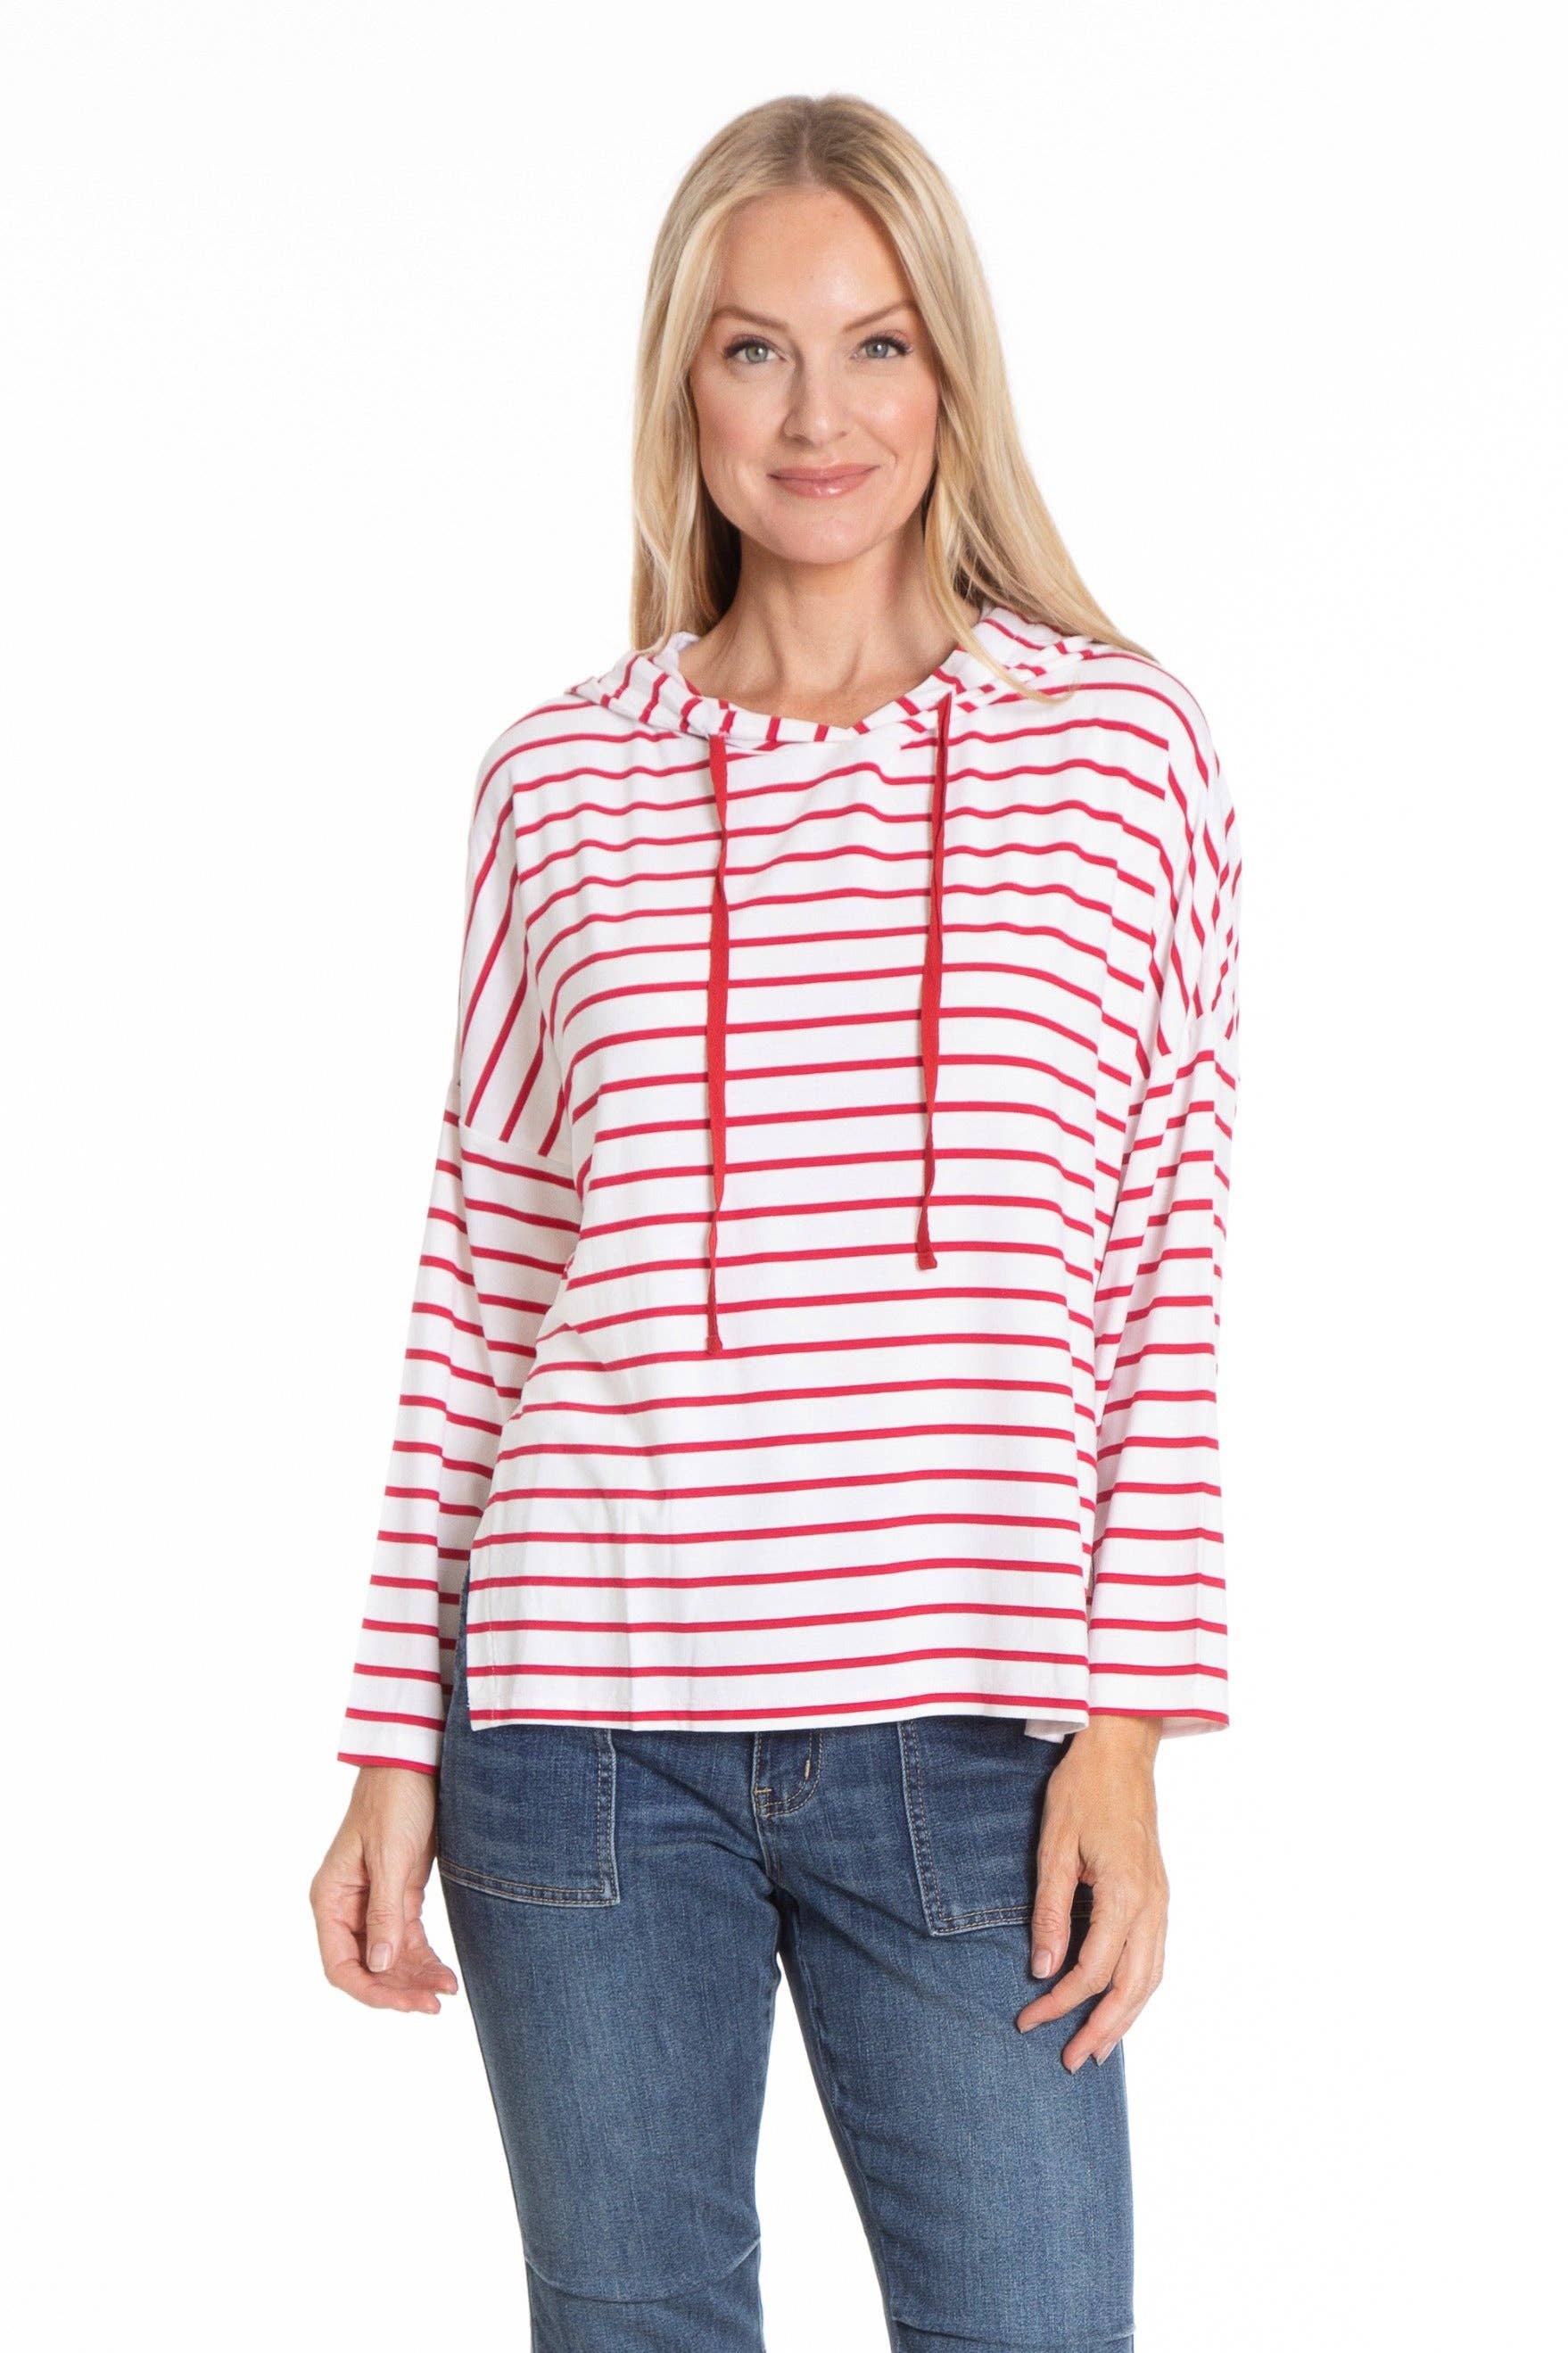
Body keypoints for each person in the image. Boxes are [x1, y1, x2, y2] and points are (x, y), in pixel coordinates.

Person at [310, 89, 1242, 2353]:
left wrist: (1130, 1729)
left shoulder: (1126, 756)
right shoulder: (558, 779)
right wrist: (388, 1739)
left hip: (979, 1737)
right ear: (684, 382)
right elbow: (484, 1269)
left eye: (877, 345)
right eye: (756, 350)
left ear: (952, 373)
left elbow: (1164, 1264)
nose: (819, 417)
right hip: (583, 1730)